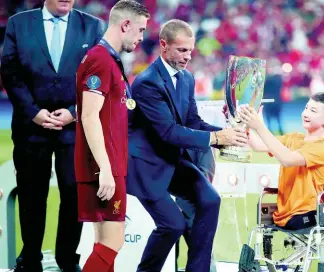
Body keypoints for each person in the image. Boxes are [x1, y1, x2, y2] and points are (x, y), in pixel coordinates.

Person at [127, 19, 248, 272]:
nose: (188, 57)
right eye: (182, 50)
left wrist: (228, 133)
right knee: (172, 225)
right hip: (147, 166)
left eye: (190, 51)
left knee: (210, 200)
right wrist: (217, 139)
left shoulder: (186, 78)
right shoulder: (146, 82)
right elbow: (169, 132)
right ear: (163, 45)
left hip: (172, 161)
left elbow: (193, 121)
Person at [0, 0, 104, 270]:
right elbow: (10, 72)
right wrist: (33, 112)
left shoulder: (92, 26)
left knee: (74, 194)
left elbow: (99, 75)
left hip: (75, 128)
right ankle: (30, 257)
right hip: (31, 127)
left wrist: (75, 111)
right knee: (31, 193)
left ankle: (68, 259)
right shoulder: (19, 24)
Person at [74, 1, 149, 271]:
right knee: (112, 242)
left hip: (105, 163)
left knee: (102, 241)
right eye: (139, 30)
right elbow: (89, 116)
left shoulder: (105, 59)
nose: (141, 38)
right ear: (125, 25)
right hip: (103, 166)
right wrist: (105, 169)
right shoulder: (101, 60)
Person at [238, 92, 324, 230]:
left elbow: (287, 159)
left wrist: (259, 126)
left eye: (313, 111)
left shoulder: (323, 148)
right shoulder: (293, 138)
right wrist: (240, 120)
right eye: (306, 108)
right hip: (281, 215)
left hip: (305, 214)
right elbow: (258, 145)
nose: (306, 113)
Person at [175, 148, 217, 272]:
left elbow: (206, 176)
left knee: (202, 260)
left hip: (193, 209)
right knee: (165, 257)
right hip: (165, 207)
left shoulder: (203, 137)